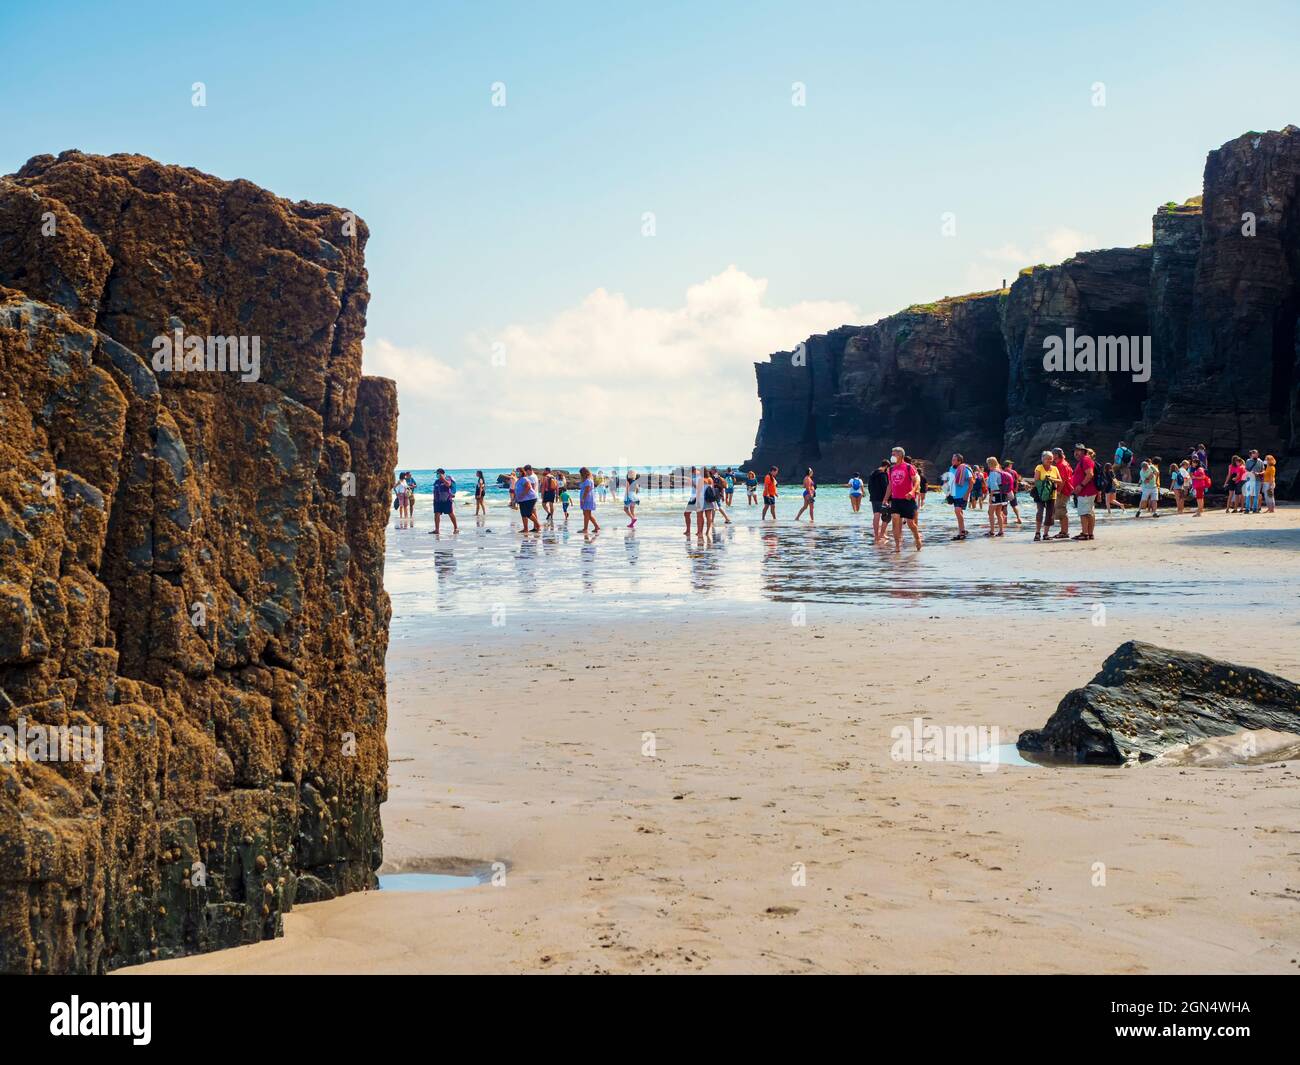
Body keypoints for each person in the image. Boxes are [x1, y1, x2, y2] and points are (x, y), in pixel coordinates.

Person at [884, 446, 922, 552]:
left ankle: (917, 538)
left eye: (894, 454)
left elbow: (916, 481)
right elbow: (890, 485)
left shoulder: (909, 467)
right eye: (892, 454)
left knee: (910, 523)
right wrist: (885, 498)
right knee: (895, 520)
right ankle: (897, 547)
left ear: (900, 455)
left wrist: (912, 491)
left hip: (908, 499)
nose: (892, 456)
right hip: (896, 500)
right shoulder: (891, 469)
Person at [1032, 451, 1060, 541]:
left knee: (1050, 514)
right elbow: (1036, 481)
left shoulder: (1055, 468)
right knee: (1040, 512)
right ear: (1042, 459)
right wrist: (1045, 484)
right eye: (1047, 458)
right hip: (1040, 494)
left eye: (1051, 458)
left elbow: (1060, 480)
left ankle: (1046, 534)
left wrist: (1051, 479)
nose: (1049, 460)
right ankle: (1037, 533)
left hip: (1052, 494)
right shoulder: (1039, 467)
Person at [1072, 443, 1097, 540]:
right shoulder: (1084, 460)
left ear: (1083, 451)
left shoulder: (1086, 460)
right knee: (1089, 512)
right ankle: (1089, 533)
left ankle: (1085, 533)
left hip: (1086, 491)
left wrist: (1081, 485)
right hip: (1087, 491)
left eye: (1078, 450)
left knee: (1084, 513)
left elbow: (1090, 474)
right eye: (1075, 451)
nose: (1075, 453)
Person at [946, 453, 972, 540]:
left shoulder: (965, 469)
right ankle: (963, 530)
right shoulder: (951, 468)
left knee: (957, 512)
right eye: (952, 459)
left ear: (959, 461)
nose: (952, 461)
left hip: (963, 495)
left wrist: (967, 494)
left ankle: (962, 533)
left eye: (954, 460)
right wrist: (948, 493)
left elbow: (972, 482)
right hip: (954, 495)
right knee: (959, 513)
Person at [1050, 447, 1073, 539]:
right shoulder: (1065, 463)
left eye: (1053, 455)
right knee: (1060, 510)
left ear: (1056, 455)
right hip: (1066, 490)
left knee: (1061, 510)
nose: (1052, 457)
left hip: (1063, 490)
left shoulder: (1061, 465)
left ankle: (1064, 532)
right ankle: (1063, 531)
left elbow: (1063, 480)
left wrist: (1058, 491)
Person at [867, 460, 890, 543]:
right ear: (887, 466)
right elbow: (885, 486)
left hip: (874, 497)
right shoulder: (883, 474)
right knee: (886, 516)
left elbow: (869, 486)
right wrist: (888, 498)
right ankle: (882, 534)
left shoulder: (872, 474)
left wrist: (872, 494)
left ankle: (876, 536)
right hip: (882, 498)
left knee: (876, 515)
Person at [514, 463, 541, 532]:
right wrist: (515, 499)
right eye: (516, 471)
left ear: (522, 472)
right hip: (522, 500)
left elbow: (528, 487)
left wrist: (522, 495)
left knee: (528, 513)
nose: (516, 473)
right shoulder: (518, 481)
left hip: (530, 499)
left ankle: (538, 525)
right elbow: (516, 491)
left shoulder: (524, 479)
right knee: (523, 514)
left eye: (518, 471)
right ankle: (525, 529)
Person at [985, 457, 1007, 537]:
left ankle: (992, 531)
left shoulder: (993, 472)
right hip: (1001, 494)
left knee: (990, 513)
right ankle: (1001, 531)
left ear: (990, 464)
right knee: (998, 513)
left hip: (995, 494)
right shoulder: (999, 471)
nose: (987, 465)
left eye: (988, 463)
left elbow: (993, 485)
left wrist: (990, 496)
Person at [432, 468, 458, 534]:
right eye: (437, 474)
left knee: (450, 514)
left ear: (441, 474)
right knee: (436, 514)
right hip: (438, 501)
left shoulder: (447, 479)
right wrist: (434, 499)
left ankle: (456, 528)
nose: (437, 475)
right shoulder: (436, 481)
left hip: (447, 500)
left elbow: (448, 484)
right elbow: (434, 490)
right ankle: (437, 530)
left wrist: (443, 478)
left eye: (437, 473)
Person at [579, 467, 600, 533]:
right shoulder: (588, 480)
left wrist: (583, 499)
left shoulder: (588, 480)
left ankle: (585, 529)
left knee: (586, 514)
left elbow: (587, 490)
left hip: (587, 499)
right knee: (587, 514)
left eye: (581, 473)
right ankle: (596, 526)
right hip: (588, 498)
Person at [1003, 459, 1024, 526]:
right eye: (1011, 464)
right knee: (1014, 505)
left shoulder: (1002, 472)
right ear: (1009, 465)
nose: (1012, 465)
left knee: (1004, 506)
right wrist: (1015, 490)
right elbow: (1016, 482)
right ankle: (1018, 518)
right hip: (1012, 491)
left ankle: (1005, 520)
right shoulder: (1014, 472)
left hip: (1004, 491)